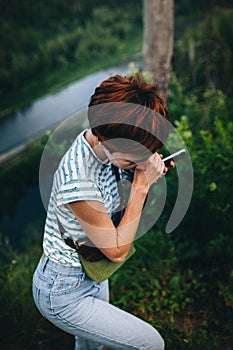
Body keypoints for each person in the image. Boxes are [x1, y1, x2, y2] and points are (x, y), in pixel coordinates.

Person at [32, 74, 172, 350]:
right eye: (132, 160)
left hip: (92, 272)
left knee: (90, 347)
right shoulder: (78, 179)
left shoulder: (105, 137)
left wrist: (136, 164)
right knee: (151, 344)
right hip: (63, 289)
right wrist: (141, 186)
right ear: (103, 137)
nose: (140, 164)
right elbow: (117, 251)